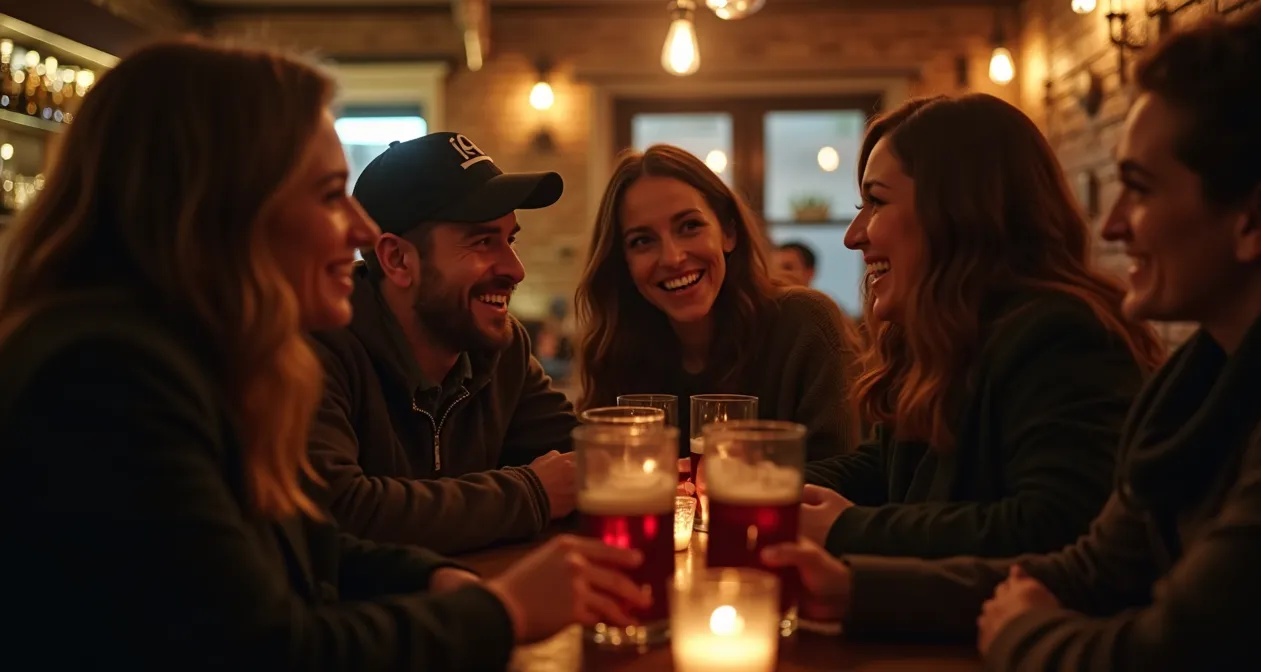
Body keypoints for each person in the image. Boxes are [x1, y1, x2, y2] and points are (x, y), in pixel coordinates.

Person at [0, 39, 647, 668]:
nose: (363, 231)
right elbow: (268, 650)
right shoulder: (105, 380)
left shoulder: (208, 361)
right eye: (329, 194)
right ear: (224, 206)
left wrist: (431, 577)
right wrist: (501, 613)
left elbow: (298, 543)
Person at [764, 4, 1261, 669]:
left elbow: (1168, 642)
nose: (1110, 227)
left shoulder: (1065, 336)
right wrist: (856, 588)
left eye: (1137, 189)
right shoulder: (1198, 376)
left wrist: (1023, 633)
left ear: (1256, 219)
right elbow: (1089, 566)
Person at [802, 93, 1164, 560]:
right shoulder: (944, 333)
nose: (854, 236)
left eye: (876, 202)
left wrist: (846, 528)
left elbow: (1056, 525)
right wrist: (766, 482)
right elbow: (888, 469)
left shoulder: (1062, 336)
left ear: (958, 213)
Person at [308, 132, 579, 554]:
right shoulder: (319, 350)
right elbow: (339, 512)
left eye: (510, 240)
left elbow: (581, 459)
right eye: (483, 241)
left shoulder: (502, 349)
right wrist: (529, 494)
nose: (516, 269)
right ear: (397, 259)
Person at [575, 144, 860, 460]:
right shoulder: (617, 352)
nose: (673, 258)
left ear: (728, 231)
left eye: (690, 226)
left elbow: (841, 479)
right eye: (642, 241)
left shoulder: (805, 323)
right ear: (622, 262)